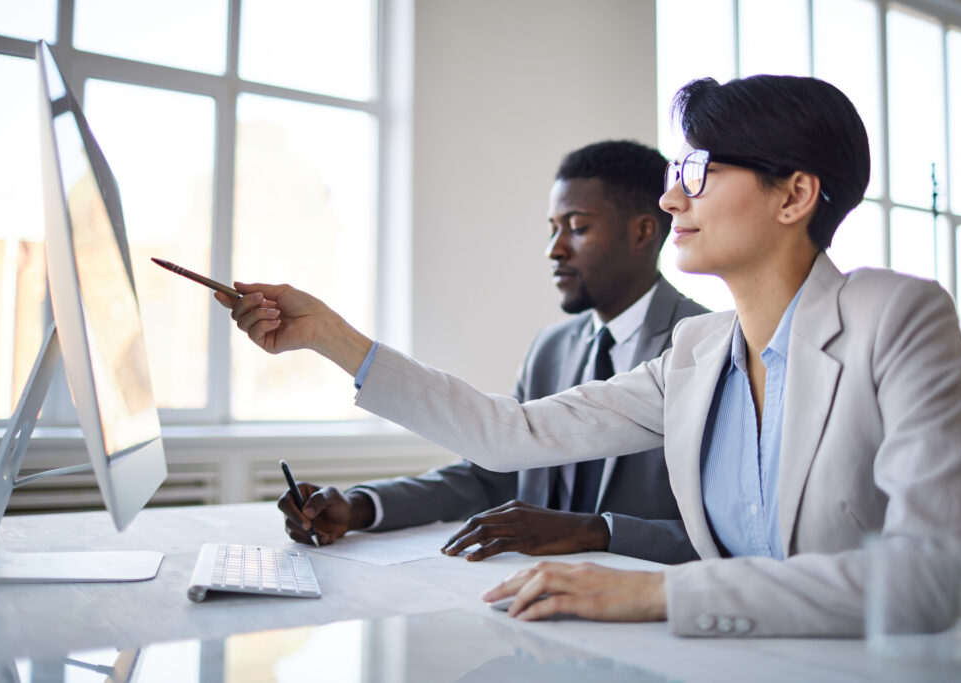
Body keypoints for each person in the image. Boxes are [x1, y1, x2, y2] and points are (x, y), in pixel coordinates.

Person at [219, 74, 961, 637]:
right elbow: (509, 434)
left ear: (794, 195)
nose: (673, 200)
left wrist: (652, 593)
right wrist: (329, 336)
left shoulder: (897, 316)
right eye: (676, 175)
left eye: (698, 171)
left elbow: (929, 582)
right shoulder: (699, 350)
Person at [276, 141, 707, 565]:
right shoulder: (551, 348)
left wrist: (592, 533)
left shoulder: (702, 348)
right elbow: (489, 474)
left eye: (576, 227)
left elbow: (728, 535)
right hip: (534, 597)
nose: (554, 249)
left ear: (643, 231)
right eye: (552, 228)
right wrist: (360, 508)